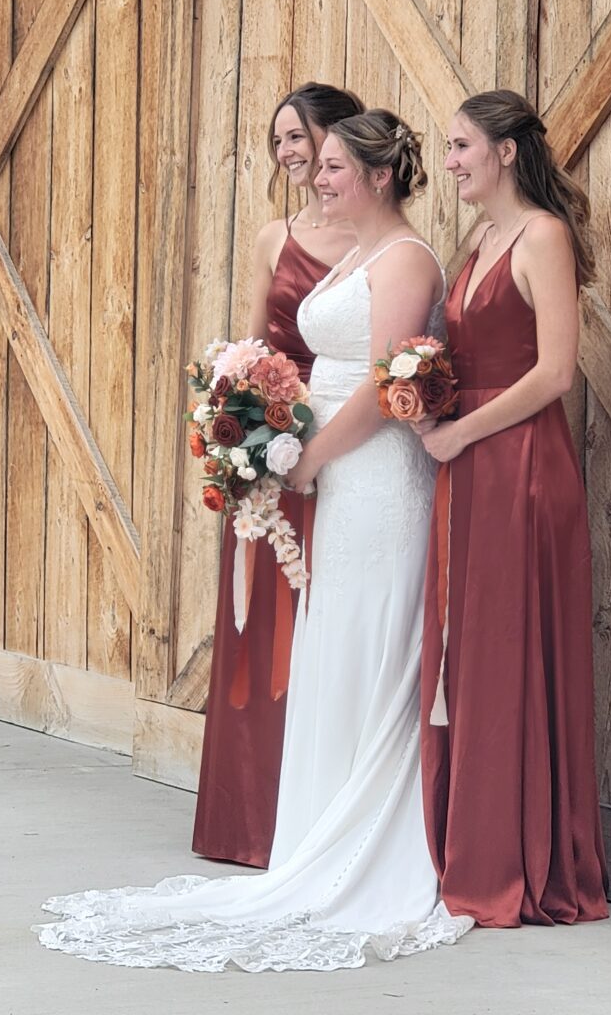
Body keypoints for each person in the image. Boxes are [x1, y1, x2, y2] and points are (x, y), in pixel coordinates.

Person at [36, 109, 471, 972]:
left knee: (371, 636)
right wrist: (258, 417)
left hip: (379, 480)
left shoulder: (407, 261)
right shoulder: (349, 255)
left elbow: (388, 388)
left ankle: (368, 836)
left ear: (381, 176)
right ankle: (313, 829)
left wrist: (304, 459)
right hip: (335, 474)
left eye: (338, 167)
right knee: (333, 634)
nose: (319, 178)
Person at [418, 89, 609, 927]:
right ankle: (470, 842)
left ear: (504, 152)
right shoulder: (478, 240)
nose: (451, 160)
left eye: (461, 146)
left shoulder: (543, 237)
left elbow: (555, 374)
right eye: (449, 147)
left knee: (511, 648)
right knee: (472, 655)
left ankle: (520, 858)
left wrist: (464, 435)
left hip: (525, 462)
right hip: (469, 460)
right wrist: (426, 402)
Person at [193, 82, 363, 869]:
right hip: (270, 449)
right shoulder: (274, 237)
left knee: (331, 622)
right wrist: (244, 432)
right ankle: (250, 819)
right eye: (281, 143)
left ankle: (323, 812)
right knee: (259, 623)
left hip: (348, 449)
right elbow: (252, 348)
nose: (293, 155)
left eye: (303, 138)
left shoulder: (379, 241)